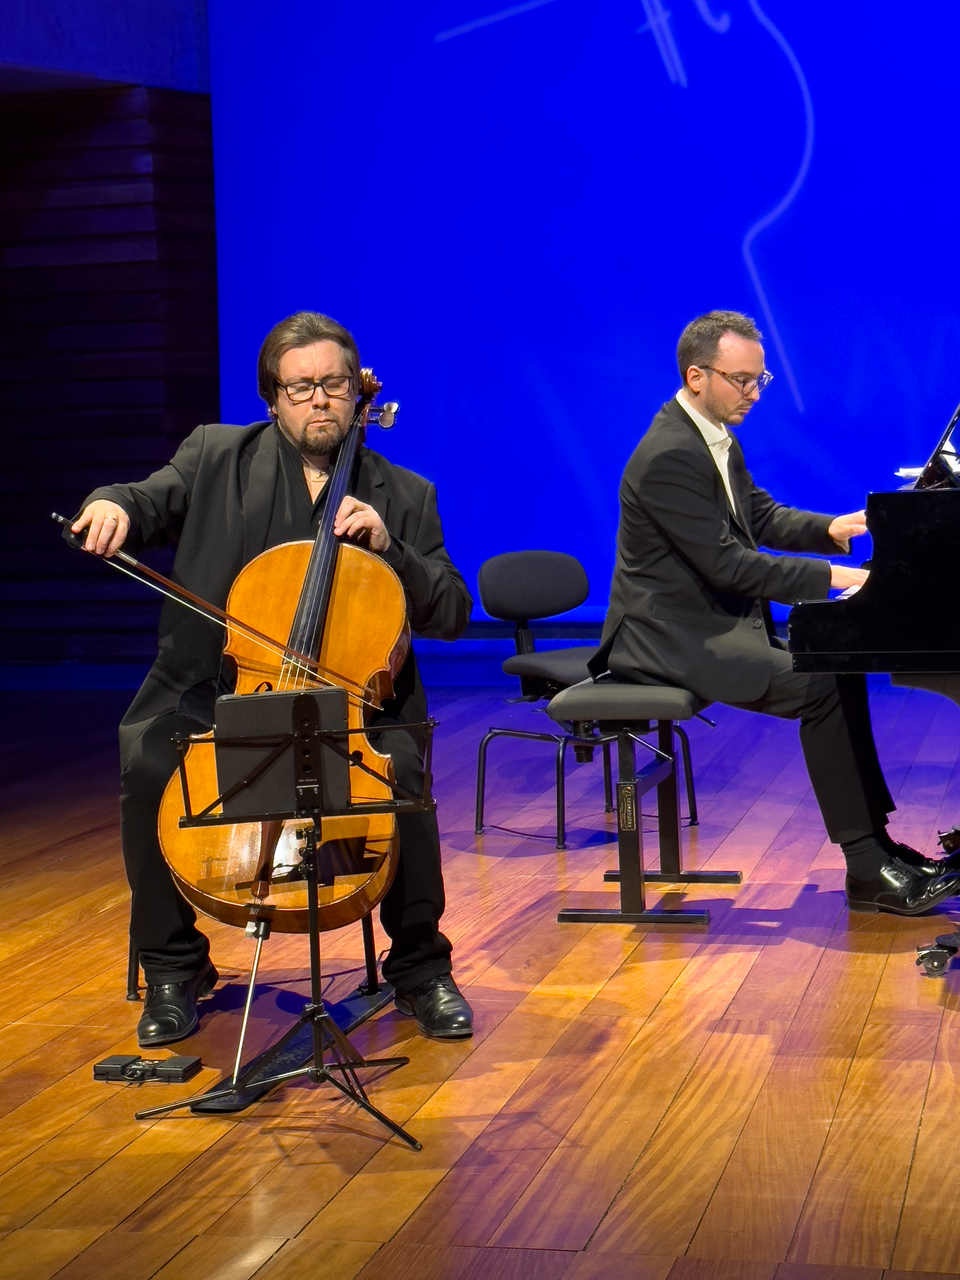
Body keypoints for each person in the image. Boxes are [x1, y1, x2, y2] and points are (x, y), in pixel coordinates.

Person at [71, 311, 475, 1046]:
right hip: (218, 692)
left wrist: (394, 550)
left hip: (352, 705)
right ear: (273, 400)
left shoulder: (405, 493)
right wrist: (112, 504)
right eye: (301, 388)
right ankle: (173, 965)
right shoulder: (216, 456)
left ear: (358, 393)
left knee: (403, 768)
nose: (320, 399)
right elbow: (147, 497)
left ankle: (420, 964)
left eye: (334, 384)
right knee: (150, 759)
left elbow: (451, 611)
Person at [590, 309, 960, 916]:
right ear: (697, 376)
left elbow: (759, 516)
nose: (754, 393)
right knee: (816, 685)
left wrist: (834, 528)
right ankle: (866, 867)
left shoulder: (712, 434)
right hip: (670, 637)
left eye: (761, 380)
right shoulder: (670, 455)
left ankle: (880, 851)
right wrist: (837, 575)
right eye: (743, 380)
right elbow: (729, 566)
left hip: (705, 622)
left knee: (837, 662)